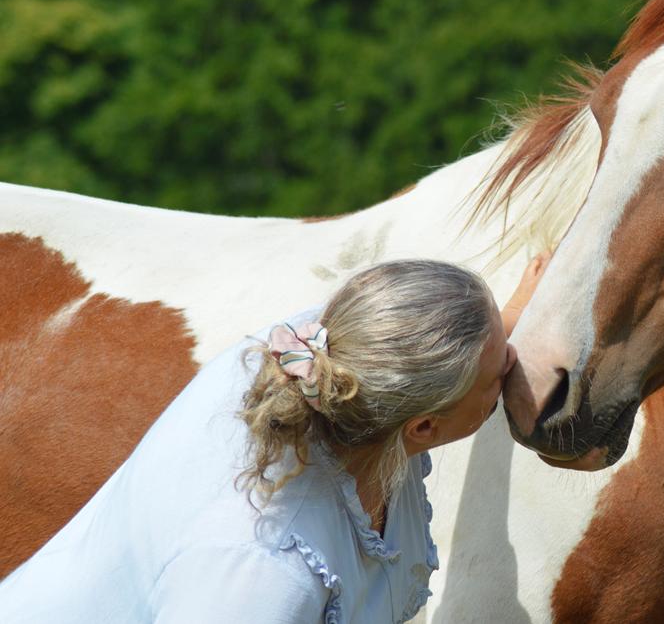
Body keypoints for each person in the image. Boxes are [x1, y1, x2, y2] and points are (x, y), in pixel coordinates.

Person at [0, 255, 548, 624]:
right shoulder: (262, 575)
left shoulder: (330, 354)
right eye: (500, 371)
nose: (513, 366)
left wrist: (516, 317)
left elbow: (407, 337)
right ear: (424, 428)